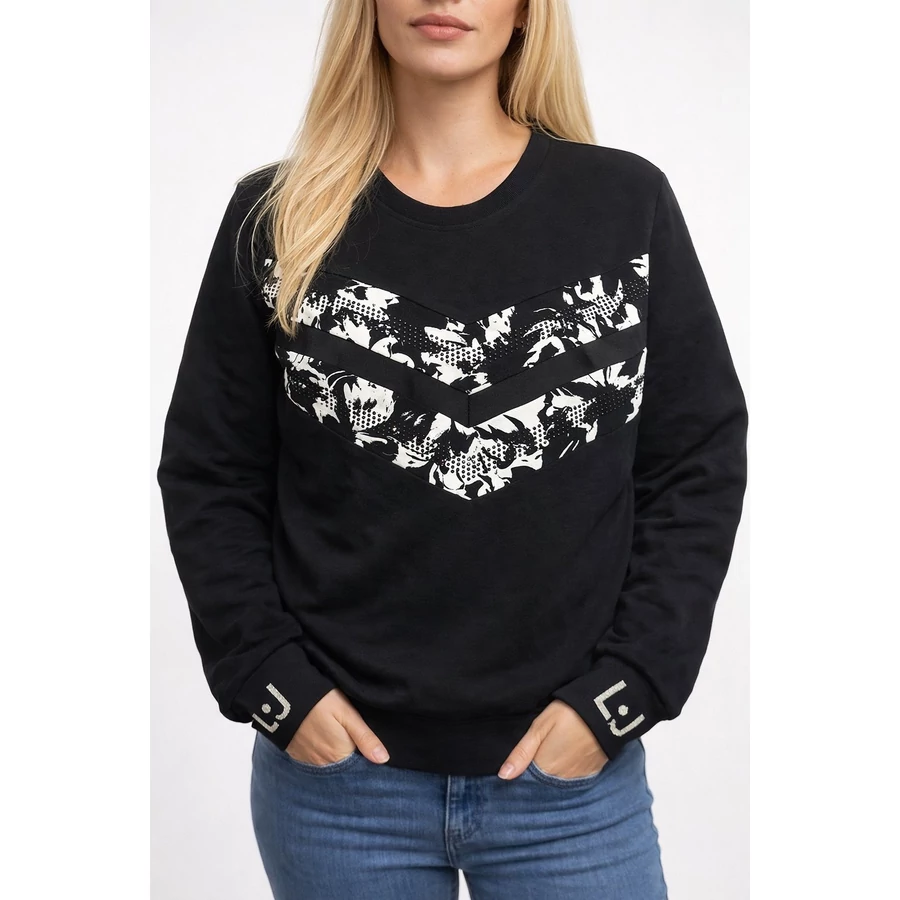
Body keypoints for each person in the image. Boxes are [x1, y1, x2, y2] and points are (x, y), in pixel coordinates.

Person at [156, 1, 748, 897]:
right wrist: (273, 683)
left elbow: (696, 461)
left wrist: (627, 689)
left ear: (527, 11)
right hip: (337, 793)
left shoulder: (624, 204)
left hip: (571, 790)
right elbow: (211, 474)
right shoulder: (276, 217)